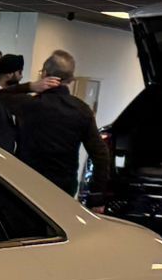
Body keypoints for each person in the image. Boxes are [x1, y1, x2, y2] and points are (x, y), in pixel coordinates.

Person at [16, 49, 108, 195]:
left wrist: (31, 86)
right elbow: (101, 154)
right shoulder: (82, 110)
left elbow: (2, 95)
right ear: (70, 80)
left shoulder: (29, 105)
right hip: (63, 188)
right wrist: (97, 195)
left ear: (44, 74)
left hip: (28, 184)